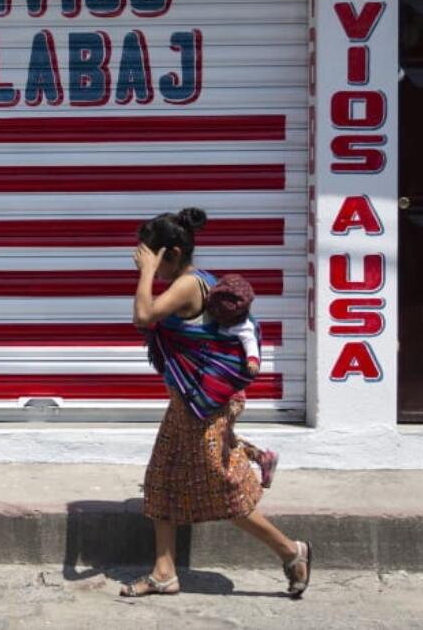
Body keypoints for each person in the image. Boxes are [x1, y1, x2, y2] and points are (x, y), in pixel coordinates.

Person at [120, 207, 311, 599]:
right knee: (161, 483)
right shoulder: (195, 280)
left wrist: (144, 273)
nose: (152, 270)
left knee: (222, 491)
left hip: (204, 411)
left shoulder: (189, 284)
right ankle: (164, 571)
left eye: (154, 259)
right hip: (187, 407)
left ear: (170, 254)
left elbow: (143, 315)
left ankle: (291, 552)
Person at [204, 273, 279, 489]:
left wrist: (253, 361)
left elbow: (250, 344)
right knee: (225, 437)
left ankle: (233, 482)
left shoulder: (244, 326)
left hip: (231, 397)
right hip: (221, 393)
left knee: (219, 440)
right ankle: (263, 458)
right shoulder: (217, 319)